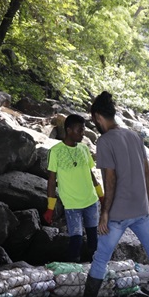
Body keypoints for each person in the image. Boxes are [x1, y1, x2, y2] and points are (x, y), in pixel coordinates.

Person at [78, 91, 149, 297]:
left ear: (98, 117)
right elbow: (147, 172)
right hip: (141, 209)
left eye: (94, 120)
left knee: (101, 258)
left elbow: (110, 179)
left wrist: (104, 214)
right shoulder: (134, 136)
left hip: (118, 214)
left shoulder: (104, 141)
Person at [44, 113, 104, 263]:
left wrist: (101, 196)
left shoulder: (84, 149)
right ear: (69, 130)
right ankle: (72, 273)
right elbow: (51, 181)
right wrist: (50, 208)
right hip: (72, 205)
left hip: (91, 201)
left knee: (93, 240)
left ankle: (94, 272)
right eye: (80, 130)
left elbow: (91, 174)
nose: (83, 134)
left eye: (83, 130)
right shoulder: (55, 152)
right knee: (75, 241)